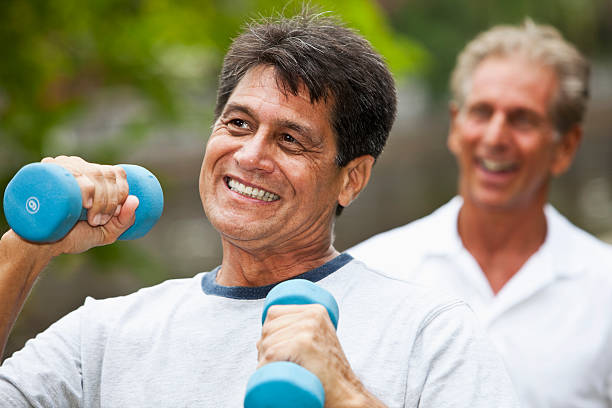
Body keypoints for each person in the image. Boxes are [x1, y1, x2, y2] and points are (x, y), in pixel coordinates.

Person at [0, 9, 519, 407]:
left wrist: (346, 393)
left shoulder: (430, 332)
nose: (250, 156)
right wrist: (28, 249)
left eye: (291, 140)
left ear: (352, 179)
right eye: (239, 124)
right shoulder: (105, 334)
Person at [348, 19, 612, 407]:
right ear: (456, 126)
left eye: (522, 119)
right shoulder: (373, 272)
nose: (494, 137)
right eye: (482, 112)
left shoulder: (604, 288)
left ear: (565, 146)